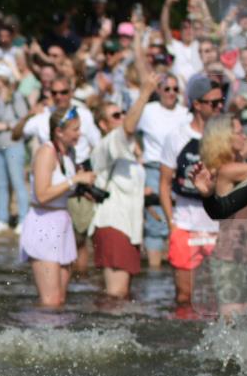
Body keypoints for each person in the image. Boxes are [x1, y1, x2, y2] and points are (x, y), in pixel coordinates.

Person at [88, 74, 157, 299]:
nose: (123, 118)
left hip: (128, 227)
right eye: (115, 116)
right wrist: (145, 93)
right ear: (103, 124)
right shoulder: (107, 143)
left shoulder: (127, 150)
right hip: (113, 224)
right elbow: (127, 128)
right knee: (116, 295)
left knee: (122, 295)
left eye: (122, 113)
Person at [20, 107, 97, 307]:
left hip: (62, 224)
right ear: (59, 132)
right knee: (50, 301)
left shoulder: (68, 154)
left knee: (60, 300)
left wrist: (83, 189)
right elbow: (42, 194)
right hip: (44, 224)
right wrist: (74, 180)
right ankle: (33, 336)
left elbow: (61, 187)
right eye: (75, 129)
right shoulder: (47, 152)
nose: (79, 134)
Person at [159, 75, 224, 307]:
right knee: (184, 298)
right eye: (213, 103)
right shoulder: (177, 137)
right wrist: (171, 224)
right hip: (185, 223)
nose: (219, 107)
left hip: (216, 226)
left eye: (221, 102)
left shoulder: (225, 136)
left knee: (216, 301)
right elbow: (164, 183)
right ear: (197, 104)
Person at [194, 114, 247, 316]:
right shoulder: (227, 170)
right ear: (224, 139)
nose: (245, 136)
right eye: (240, 132)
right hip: (231, 254)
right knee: (232, 319)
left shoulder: (238, 161)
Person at [137, 73, 190, 268]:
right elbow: (130, 131)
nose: (171, 93)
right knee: (155, 223)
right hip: (154, 168)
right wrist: (138, 154)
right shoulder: (148, 111)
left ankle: (176, 268)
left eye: (175, 89)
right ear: (158, 90)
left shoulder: (185, 113)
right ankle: (154, 271)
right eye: (167, 89)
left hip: (179, 170)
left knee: (178, 221)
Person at [0, 65, 30, 234]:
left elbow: (24, 120)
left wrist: (4, 125)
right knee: (0, 184)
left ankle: (24, 218)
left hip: (13, 144)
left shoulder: (16, 97)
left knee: (17, 182)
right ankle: (1, 218)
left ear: (4, 80)